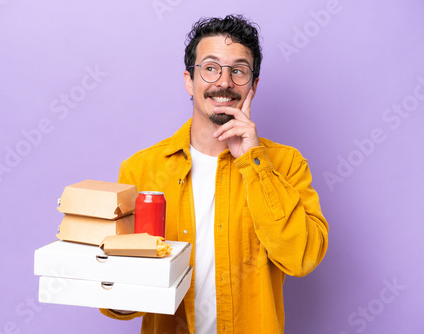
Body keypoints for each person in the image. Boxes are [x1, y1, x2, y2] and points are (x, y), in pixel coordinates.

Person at [100, 14, 329, 334]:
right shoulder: (141, 169)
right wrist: (119, 291)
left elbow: (302, 257)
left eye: (238, 70)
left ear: (254, 85)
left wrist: (253, 162)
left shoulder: (286, 164)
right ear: (188, 80)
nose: (224, 82)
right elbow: (118, 297)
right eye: (210, 68)